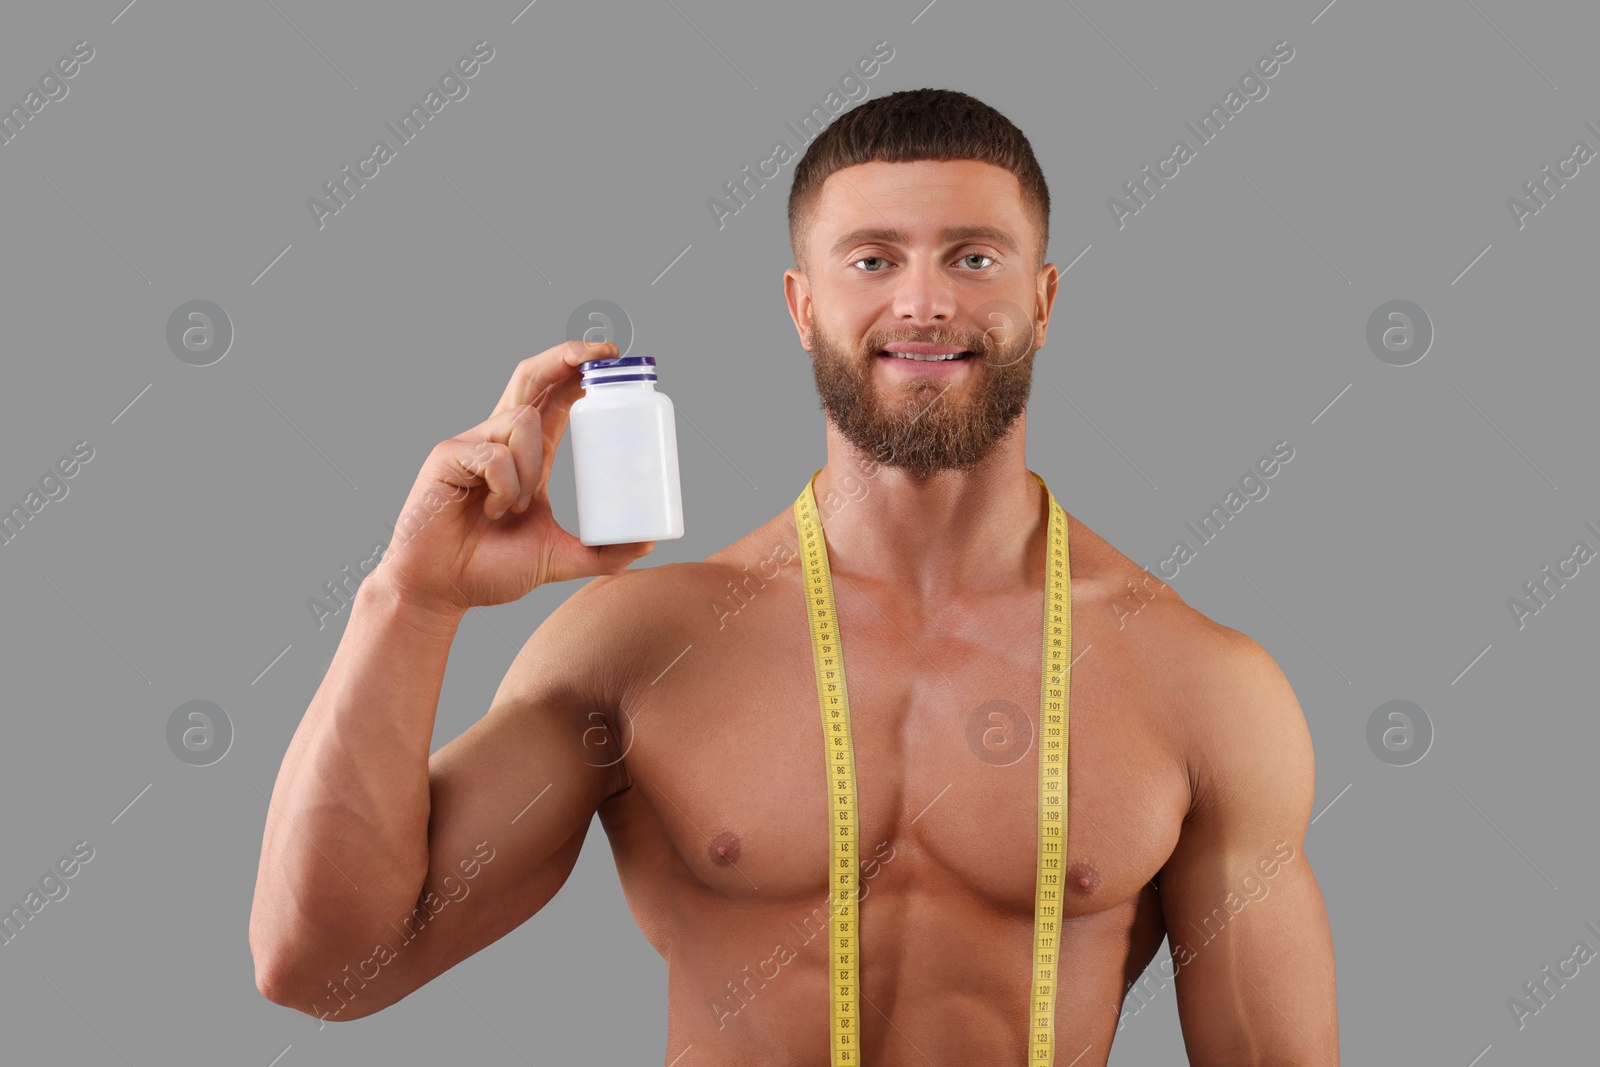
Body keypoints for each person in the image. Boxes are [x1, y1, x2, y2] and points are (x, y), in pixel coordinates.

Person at [249, 87, 1339, 1064]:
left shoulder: (1199, 683)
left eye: (973, 256)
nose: (924, 303)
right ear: (800, 305)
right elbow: (323, 965)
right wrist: (411, 596)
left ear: (1043, 299)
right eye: (871, 260)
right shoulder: (641, 649)